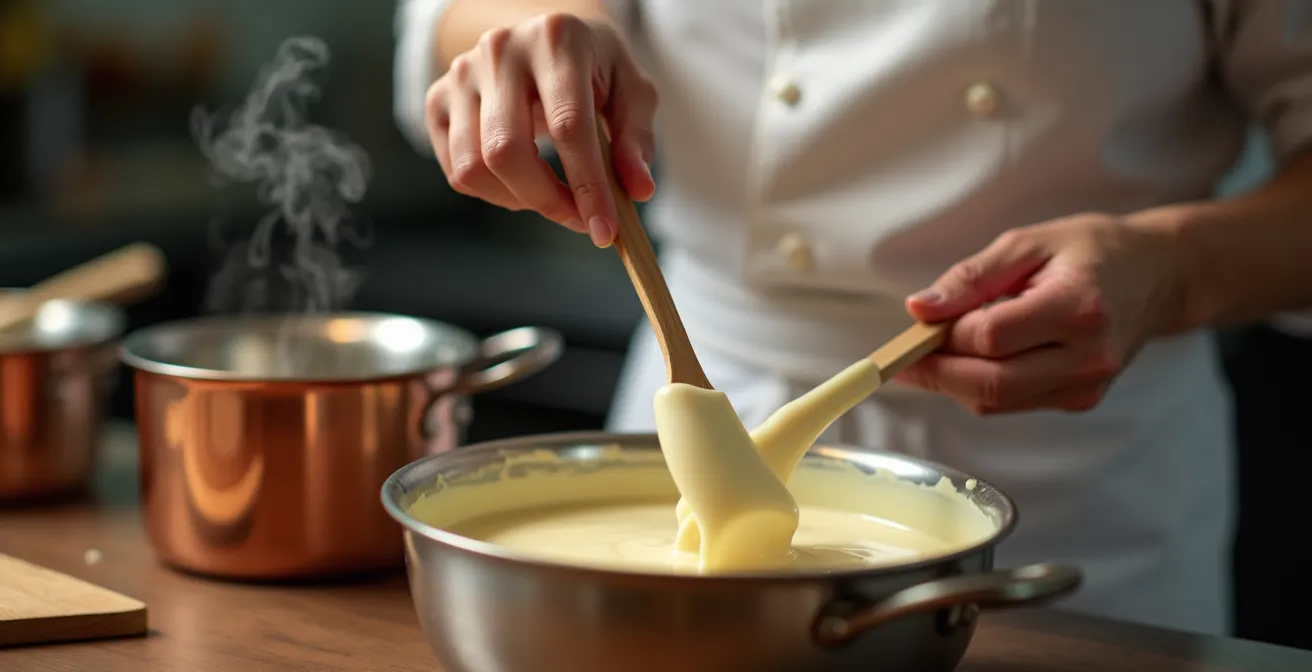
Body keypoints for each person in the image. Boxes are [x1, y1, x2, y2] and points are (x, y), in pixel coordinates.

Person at [394, 0, 1312, 636]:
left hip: (1075, 489)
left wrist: (1175, 272)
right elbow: (459, 18)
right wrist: (540, 36)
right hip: (709, 380)